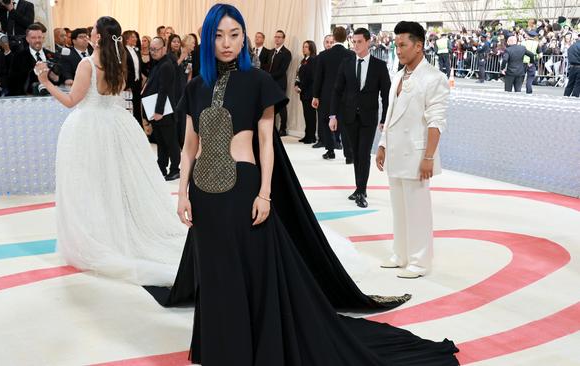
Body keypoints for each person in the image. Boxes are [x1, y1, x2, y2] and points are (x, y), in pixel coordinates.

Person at [149, 6, 459, 365]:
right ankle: (220, 349)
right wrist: (182, 192)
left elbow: (266, 144)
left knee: (246, 273)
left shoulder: (258, 82)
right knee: (215, 273)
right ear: (207, 39)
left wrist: (265, 193)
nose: (227, 43)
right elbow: (189, 147)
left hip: (243, 189)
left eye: (234, 34)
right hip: (204, 195)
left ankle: (249, 347)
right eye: (218, 35)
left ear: (244, 36)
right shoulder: (195, 86)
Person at [32, 16, 187, 286]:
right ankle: (121, 230)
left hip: (89, 128)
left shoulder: (88, 63)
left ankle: (99, 236)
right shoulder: (119, 63)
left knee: (90, 185)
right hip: (117, 125)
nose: (88, 34)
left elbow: (71, 101)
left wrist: (46, 82)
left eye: (92, 31)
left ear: (99, 37)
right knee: (117, 182)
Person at [376, 21, 449, 279]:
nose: (398, 50)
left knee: (417, 210)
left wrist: (429, 156)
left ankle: (420, 261)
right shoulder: (398, 75)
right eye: (396, 45)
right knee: (399, 208)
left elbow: (436, 121)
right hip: (396, 152)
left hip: (417, 155)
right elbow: (390, 113)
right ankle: (401, 254)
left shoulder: (434, 78)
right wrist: (383, 145)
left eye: (403, 45)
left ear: (419, 46)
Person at [330, 27, 390, 209]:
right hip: (349, 117)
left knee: (363, 153)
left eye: (359, 42)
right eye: (353, 42)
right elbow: (337, 90)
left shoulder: (379, 66)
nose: (355, 45)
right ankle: (359, 188)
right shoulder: (346, 63)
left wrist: (384, 119)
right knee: (356, 153)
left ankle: (361, 191)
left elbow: (386, 95)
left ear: (368, 42)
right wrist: (333, 115)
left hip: (368, 118)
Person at [142, 36, 181, 181]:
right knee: (161, 142)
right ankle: (161, 167)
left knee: (170, 142)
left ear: (164, 49)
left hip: (164, 111)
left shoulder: (166, 65)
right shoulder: (158, 64)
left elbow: (164, 90)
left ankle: (175, 169)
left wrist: (158, 111)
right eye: (151, 49)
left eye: (155, 49)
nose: (152, 52)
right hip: (156, 110)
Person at [312, 26, 354, 160]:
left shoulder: (323, 55)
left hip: (326, 94)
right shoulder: (351, 54)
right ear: (346, 38)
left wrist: (315, 96)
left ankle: (330, 150)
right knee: (346, 123)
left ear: (334, 38)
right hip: (346, 94)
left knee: (325, 121)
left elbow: (318, 77)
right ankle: (349, 155)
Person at [9, 23, 61, 95]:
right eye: (33, 38)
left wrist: (55, 78)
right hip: (28, 98)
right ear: (27, 39)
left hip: (52, 97)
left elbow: (61, 79)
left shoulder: (54, 56)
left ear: (43, 38)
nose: (37, 40)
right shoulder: (18, 57)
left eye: (39, 37)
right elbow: (13, 81)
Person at [266, 30, 292, 135]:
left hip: (279, 83)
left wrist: (269, 76)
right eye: (275, 36)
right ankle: (271, 127)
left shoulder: (286, 53)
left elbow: (282, 70)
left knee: (281, 106)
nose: (277, 39)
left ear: (283, 39)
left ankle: (283, 128)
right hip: (269, 83)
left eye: (279, 37)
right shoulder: (271, 52)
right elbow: (267, 66)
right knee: (269, 106)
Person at [295, 40, 317, 144]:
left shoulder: (313, 60)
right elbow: (298, 74)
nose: (304, 48)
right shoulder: (303, 60)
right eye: (303, 46)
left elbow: (310, 77)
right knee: (306, 115)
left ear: (311, 48)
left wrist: (301, 87)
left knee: (310, 115)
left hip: (309, 92)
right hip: (304, 92)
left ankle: (311, 136)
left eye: (306, 47)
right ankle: (307, 134)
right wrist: (296, 84)